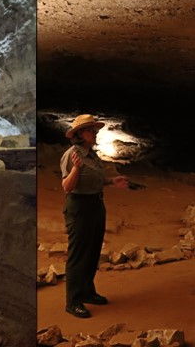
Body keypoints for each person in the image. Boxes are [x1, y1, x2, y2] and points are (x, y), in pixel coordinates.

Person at [60, 114, 131, 318]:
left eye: (95, 130)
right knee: (78, 253)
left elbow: (94, 179)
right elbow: (67, 186)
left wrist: (111, 181)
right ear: (80, 134)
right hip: (79, 207)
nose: (95, 133)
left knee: (92, 252)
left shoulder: (92, 155)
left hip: (96, 205)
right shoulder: (72, 154)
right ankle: (73, 301)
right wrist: (75, 169)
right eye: (92, 130)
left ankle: (87, 292)